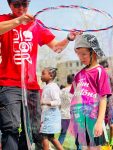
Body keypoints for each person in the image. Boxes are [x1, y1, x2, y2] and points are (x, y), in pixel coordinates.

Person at [0, 0, 80, 150]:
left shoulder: (36, 24)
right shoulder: (4, 20)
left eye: (25, 4)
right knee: (10, 127)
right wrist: (18, 21)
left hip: (31, 87)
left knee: (33, 130)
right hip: (9, 84)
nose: (21, 8)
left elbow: (56, 47)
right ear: (9, 4)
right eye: (17, 4)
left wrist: (68, 38)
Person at [69, 34, 112, 149]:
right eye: (78, 54)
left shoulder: (100, 71)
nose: (81, 57)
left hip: (94, 120)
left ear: (93, 53)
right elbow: (74, 98)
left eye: (84, 54)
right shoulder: (78, 75)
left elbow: (103, 98)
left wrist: (99, 121)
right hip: (81, 121)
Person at [40, 67, 63, 150]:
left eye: (43, 74)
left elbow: (58, 101)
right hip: (48, 115)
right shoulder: (47, 87)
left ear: (50, 76)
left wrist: (45, 102)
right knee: (50, 137)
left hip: (51, 115)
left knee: (44, 136)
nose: (41, 76)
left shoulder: (52, 87)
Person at [58, 74, 74, 145]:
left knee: (63, 133)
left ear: (67, 81)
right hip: (73, 115)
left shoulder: (61, 91)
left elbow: (58, 103)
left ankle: (58, 146)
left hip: (63, 115)